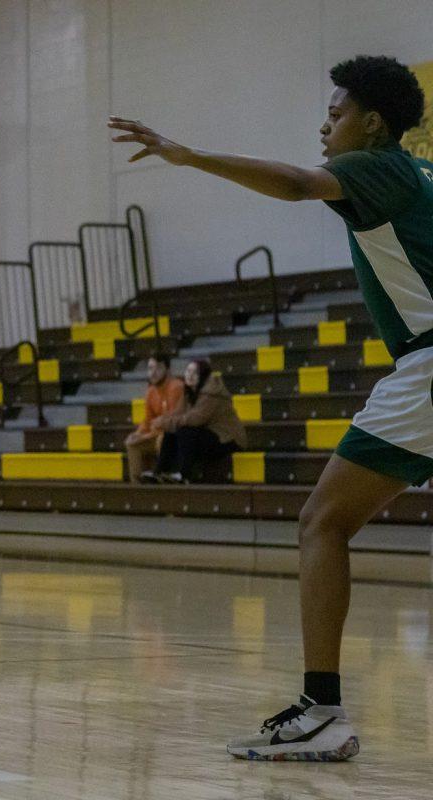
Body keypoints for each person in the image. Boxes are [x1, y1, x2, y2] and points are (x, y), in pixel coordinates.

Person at [111, 54, 429, 761]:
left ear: (374, 124)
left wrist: (188, 156)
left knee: (322, 520)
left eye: (336, 113)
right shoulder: (421, 179)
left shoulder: (378, 167)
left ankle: (321, 710)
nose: (325, 126)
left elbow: (295, 184)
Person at [147, 359, 245, 483]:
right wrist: (162, 420)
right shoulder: (189, 391)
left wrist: (163, 422)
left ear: (203, 376)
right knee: (171, 430)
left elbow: (195, 419)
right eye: (188, 371)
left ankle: (184, 474)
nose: (190, 375)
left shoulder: (212, 393)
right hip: (209, 435)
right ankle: (160, 472)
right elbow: (177, 413)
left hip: (228, 439)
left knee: (185, 431)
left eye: (195, 373)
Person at [124, 353, 185, 482]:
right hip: (156, 434)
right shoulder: (151, 391)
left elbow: (170, 424)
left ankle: (163, 480)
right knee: (132, 444)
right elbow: (148, 421)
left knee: (162, 440)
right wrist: (138, 433)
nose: (153, 373)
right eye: (150, 368)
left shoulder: (176, 387)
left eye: (158, 368)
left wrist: (147, 434)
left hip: (174, 437)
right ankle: (138, 487)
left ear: (168, 371)